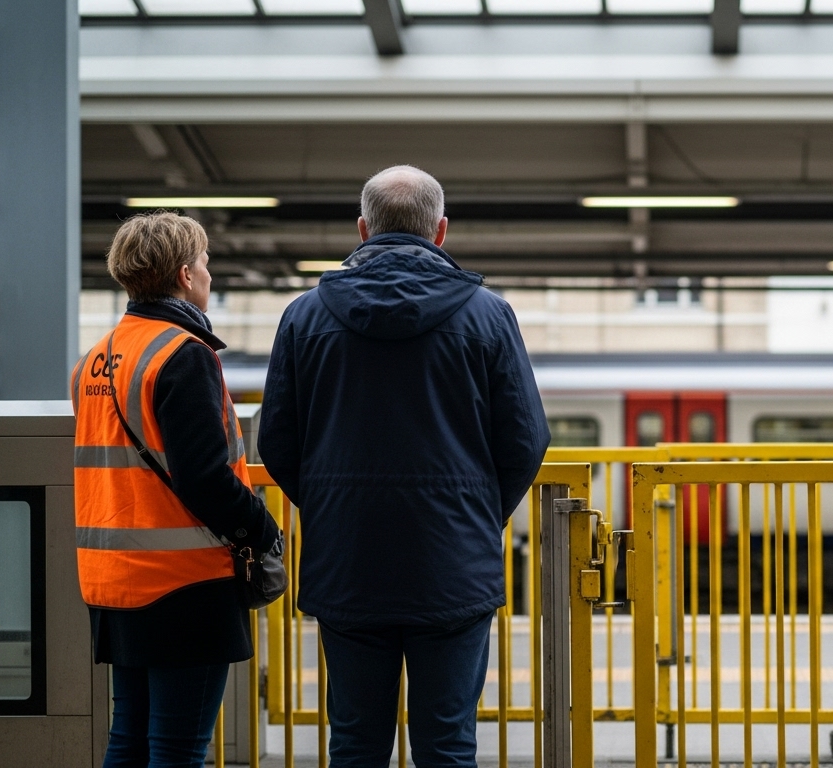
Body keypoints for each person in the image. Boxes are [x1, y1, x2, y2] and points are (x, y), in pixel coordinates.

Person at [258, 165, 550, 767]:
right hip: (452, 563)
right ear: (440, 231)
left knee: (355, 742)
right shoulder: (489, 315)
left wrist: (333, 505)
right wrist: (475, 513)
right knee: (447, 743)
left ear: (362, 229)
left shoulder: (305, 316)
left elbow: (277, 442)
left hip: (348, 560)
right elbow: (526, 439)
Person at [71, 211, 281, 768]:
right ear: (186, 275)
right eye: (207, 264)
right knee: (178, 748)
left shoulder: (95, 360)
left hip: (114, 578)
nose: (211, 276)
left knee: (130, 738)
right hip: (182, 582)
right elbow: (204, 477)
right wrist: (262, 530)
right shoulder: (183, 354)